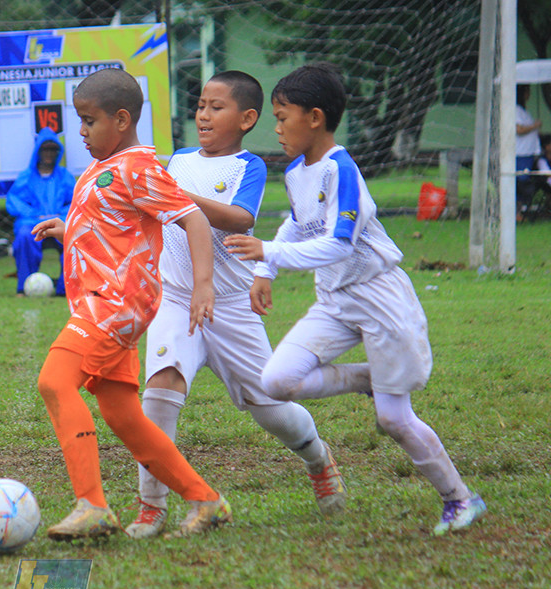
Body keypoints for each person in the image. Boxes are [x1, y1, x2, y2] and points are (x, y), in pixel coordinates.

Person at [223, 62, 486, 537]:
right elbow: (297, 224)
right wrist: (266, 269)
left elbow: (339, 244)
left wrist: (269, 251)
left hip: (380, 298)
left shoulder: (341, 170)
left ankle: (460, 498)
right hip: (335, 300)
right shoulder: (299, 172)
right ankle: (369, 377)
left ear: (315, 117)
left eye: (283, 117)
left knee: (393, 419)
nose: (276, 128)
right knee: (277, 380)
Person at [125, 71, 345, 539]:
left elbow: (240, 218)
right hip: (176, 299)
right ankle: (151, 507)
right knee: (159, 393)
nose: (203, 115)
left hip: (230, 306)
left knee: (271, 407)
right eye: (201, 105)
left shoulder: (250, 167)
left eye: (216, 107)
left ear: (247, 119)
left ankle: (317, 458)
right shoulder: (177, 160)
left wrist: (174, 196)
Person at [31, 67, 230, 541]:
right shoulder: (107, 167)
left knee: (55, 383)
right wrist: (70, 229)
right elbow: (115, 222)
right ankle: (206, 500)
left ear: (121, 120)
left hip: (115, 305)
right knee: (123, 415)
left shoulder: (139, 167)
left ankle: (92, 507)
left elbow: (195, 221)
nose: (80, 132)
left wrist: (204, 285)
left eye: (88, 121)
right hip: (103, 306)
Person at [6, 127, 74, 296]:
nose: (49, 153)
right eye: (45, 149)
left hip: (59, 221)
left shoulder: (65, 176)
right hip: (32, 223)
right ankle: (25, 287)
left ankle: (66, 289)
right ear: (38, 151)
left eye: (53, 149)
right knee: (23, 236)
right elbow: (14, 201)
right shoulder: (26, 177)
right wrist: (34, 215)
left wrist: (58, 215)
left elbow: (76, 202)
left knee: (74, 235)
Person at [516, 85, 542, 222]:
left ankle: (519, 212)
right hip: (520, 153)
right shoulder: (515, 110)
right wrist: (534, 126)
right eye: (528, 91)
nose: (529, 94)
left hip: (529, 153)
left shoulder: (524, 111)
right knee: (521, 183)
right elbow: (518, 130)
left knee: (525, 182)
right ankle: (515, 213)